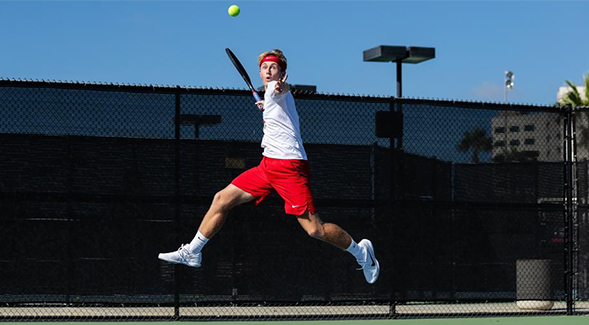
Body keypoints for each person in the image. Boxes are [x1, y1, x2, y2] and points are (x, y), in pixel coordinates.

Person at [158, 49, 380, 284]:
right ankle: (193, 251)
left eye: (273, 67)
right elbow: (276, 108)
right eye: (264, 68)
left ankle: (363, 253)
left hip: (289, 168)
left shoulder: (279, 90)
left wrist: (276, 91)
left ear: (282, 73)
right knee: (221, 199)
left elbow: (281, 90)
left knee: (315, 230)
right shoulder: (271, 98)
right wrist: (268, 104)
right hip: (267, 166)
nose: (268, 71)